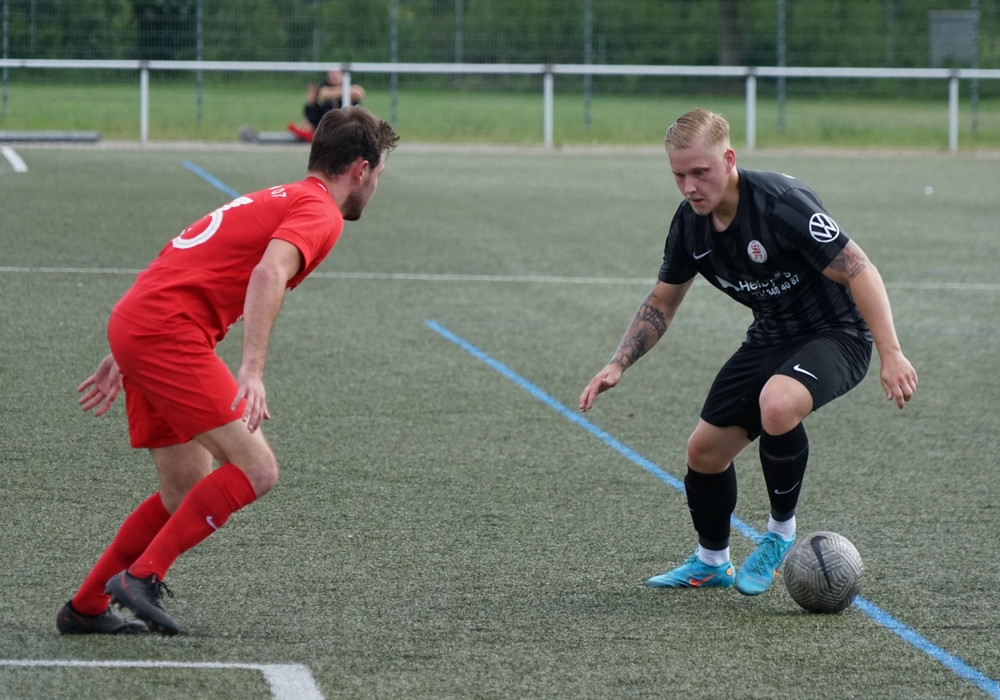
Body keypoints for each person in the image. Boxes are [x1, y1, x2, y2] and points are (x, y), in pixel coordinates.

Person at [56, 106, 398, 636]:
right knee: (258, 470)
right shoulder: (321, 211)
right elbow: (268, 274)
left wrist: (127, 348)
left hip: (142, 322)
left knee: (184, 489)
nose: (375, 187)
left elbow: (186, 259)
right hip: (165, 331)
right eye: (379, 175)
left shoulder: (283, 196)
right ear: (361, 169)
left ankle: (85, 607)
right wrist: (252, 369)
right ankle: (142, 576)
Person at [579, 108, 917, 595]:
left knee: (777, 403)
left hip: (837, 333)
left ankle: (780, 534)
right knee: (704, 452)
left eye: (701, 172)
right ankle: (711, 562)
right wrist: (618, 363)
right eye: (679, 175)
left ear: (729, 159)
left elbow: (859, 268)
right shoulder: (690, 226)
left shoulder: (781, 205)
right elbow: (662, 302)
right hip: (770, 335)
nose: (690, 186)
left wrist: (891, 353)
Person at [288, 69, 366, 142]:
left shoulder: (350, 83)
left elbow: (358, 93)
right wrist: (346, 91)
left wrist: (334, 92)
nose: (333, 76)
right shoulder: (325, 86)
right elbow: (324, 94)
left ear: (342, 75)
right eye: (331, 74)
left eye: (335, 74)